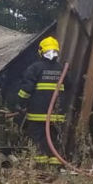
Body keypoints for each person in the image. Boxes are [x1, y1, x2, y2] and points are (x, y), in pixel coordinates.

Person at [15, 36, 69, 165]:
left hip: (38, 113)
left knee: (38, 137)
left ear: (41, 51)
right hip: (56, 113)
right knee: (54, 138)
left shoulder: (35, 68)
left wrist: (20, 103)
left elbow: (26, 89)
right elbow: (69, 85)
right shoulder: (62, 69)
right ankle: (54, 165)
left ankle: (40, 164)